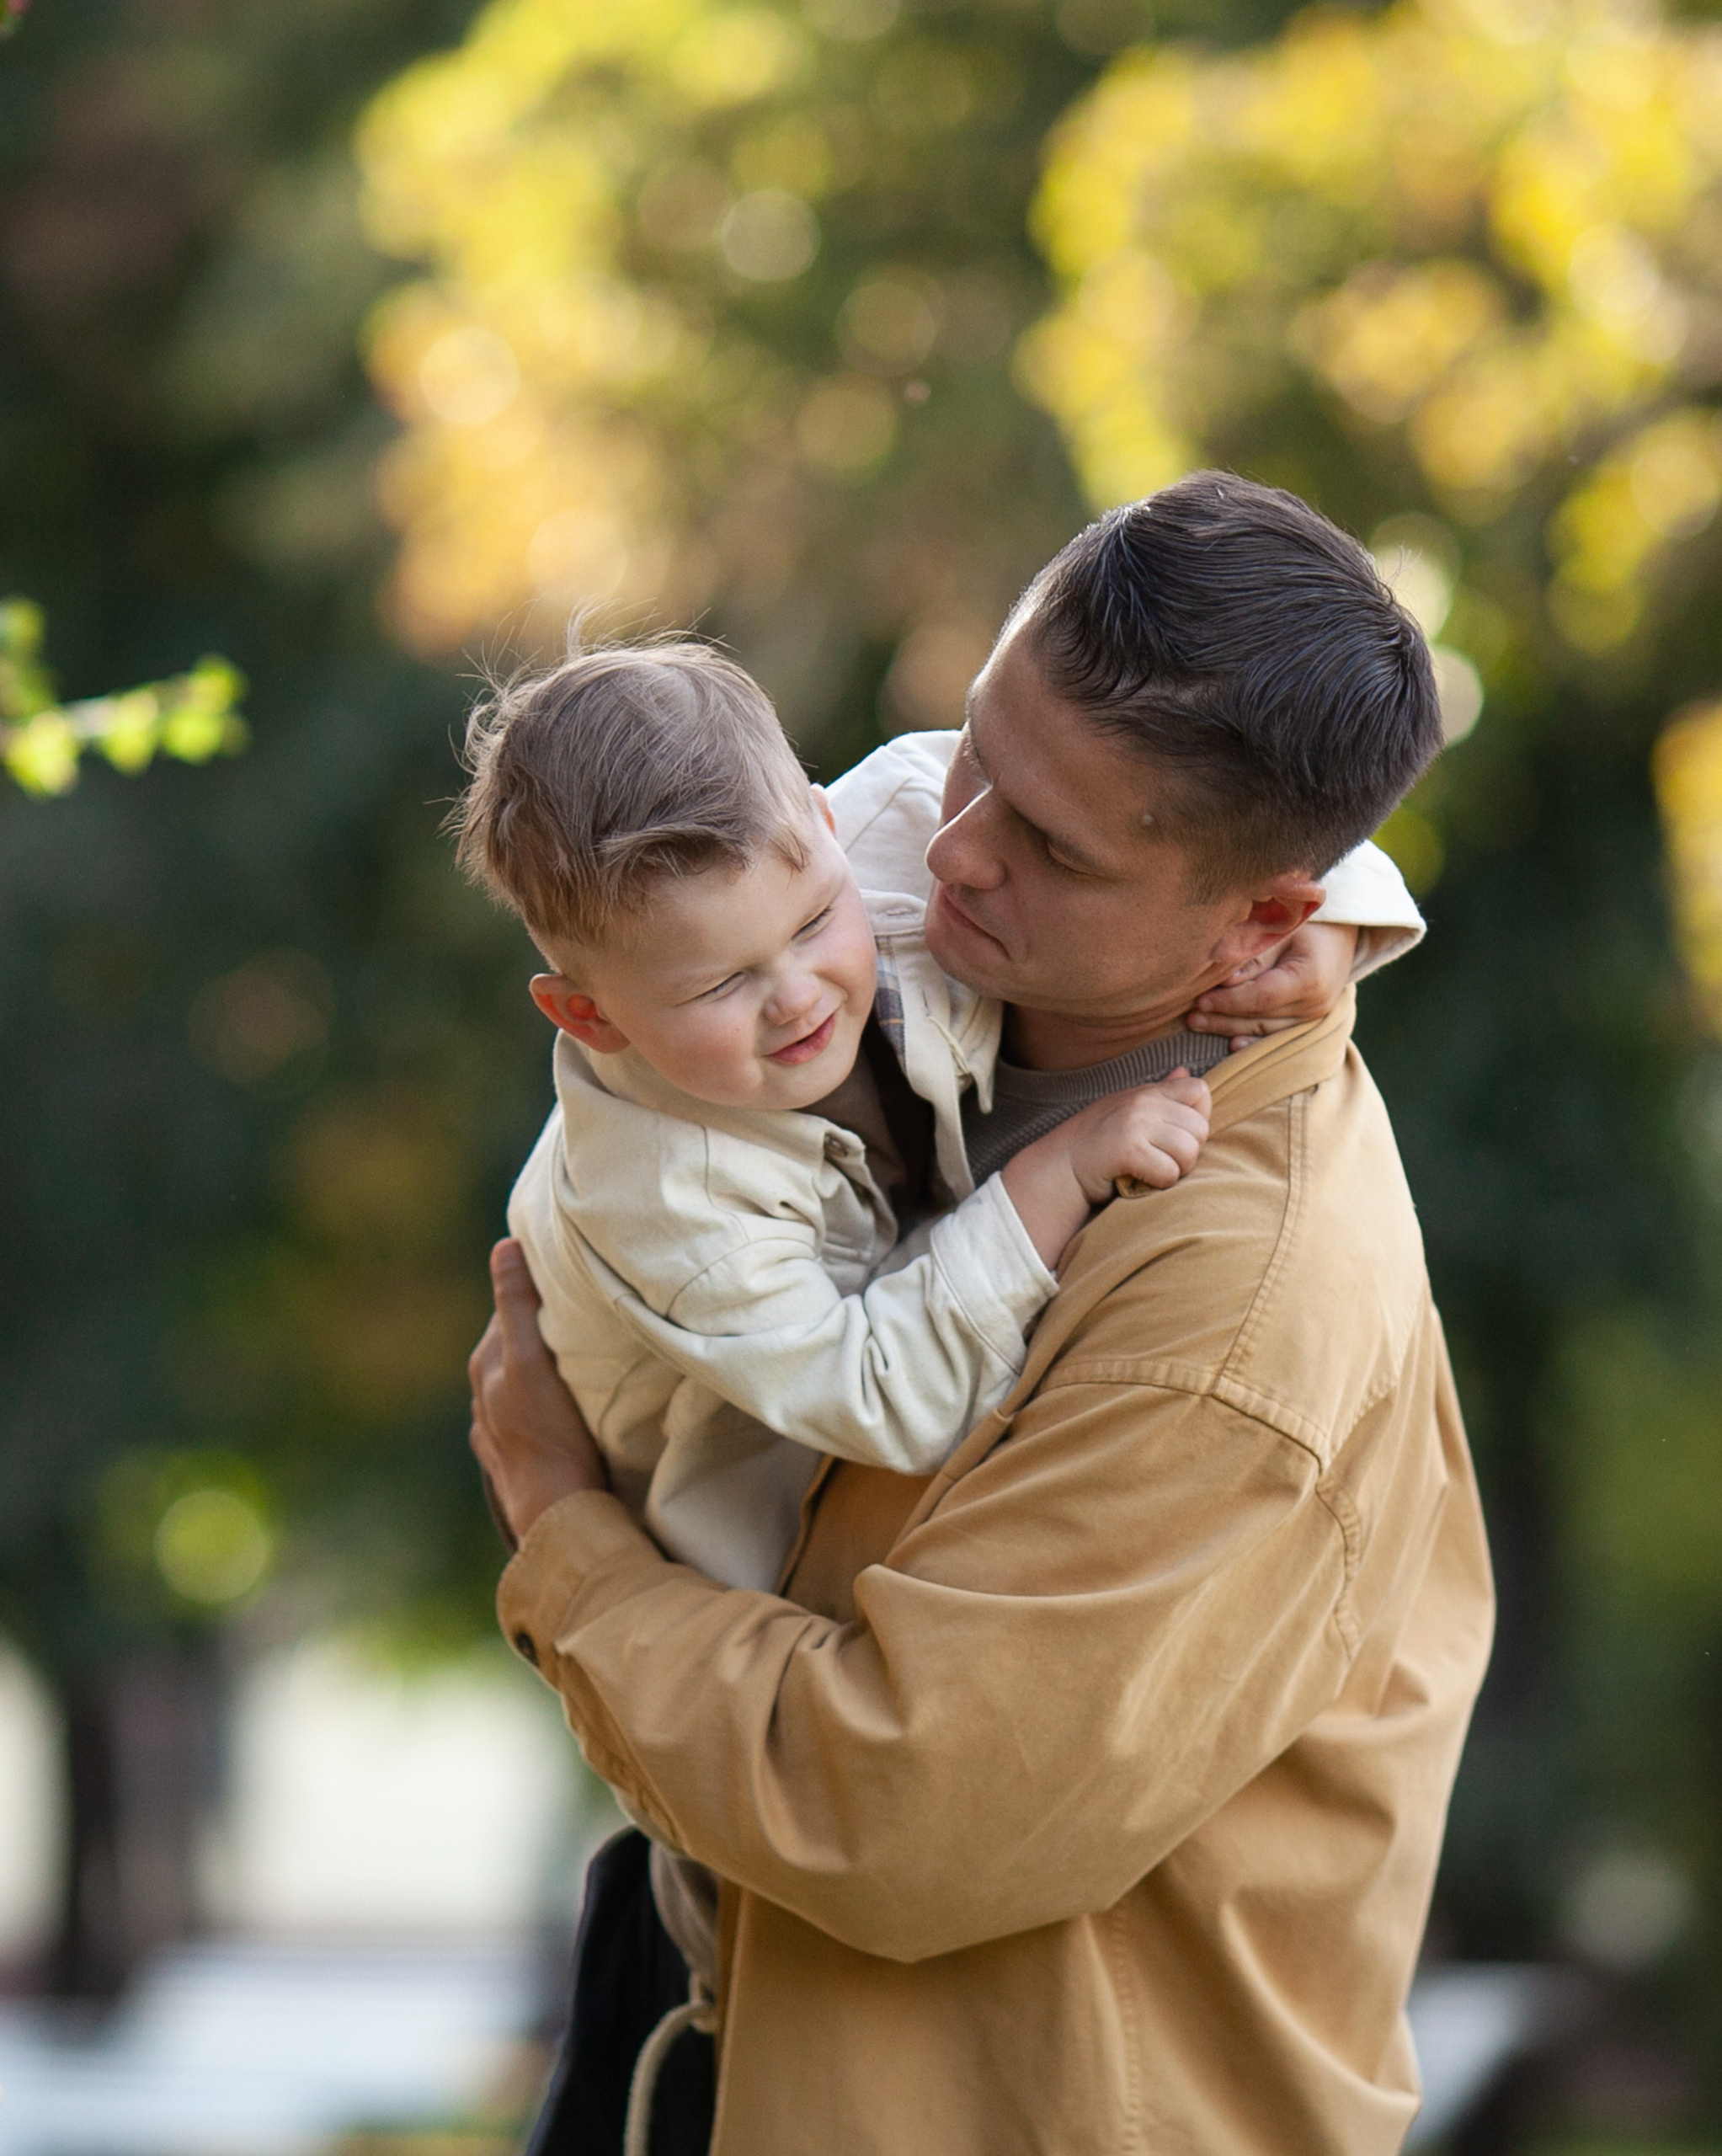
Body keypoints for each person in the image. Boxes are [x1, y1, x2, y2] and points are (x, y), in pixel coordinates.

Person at [469, 473, 1495, 2156]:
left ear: (1259, 923)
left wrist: (556, 1525)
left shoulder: (1231, 1321)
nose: (944, 850)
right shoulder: (971, 967)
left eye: (1045, 845)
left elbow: (888, 1807)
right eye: (976, 755)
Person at [451, 642, 1415, 1593]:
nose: (796, 995)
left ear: (829, 824)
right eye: (721, 984)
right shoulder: (667, 1199)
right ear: (590, 1015)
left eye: (814, 921)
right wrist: (1057, 1172)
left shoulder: (893, 823)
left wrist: (1327, 916)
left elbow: (1179, 807)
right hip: (726, 1496)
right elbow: (880, 1391)